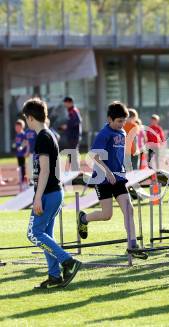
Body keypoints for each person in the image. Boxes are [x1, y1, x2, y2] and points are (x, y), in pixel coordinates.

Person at [23, 98, 81, 289]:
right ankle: (54, 275)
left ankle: (68, 261)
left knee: (34, 233)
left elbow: (45, 170)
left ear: (30, 118)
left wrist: (37, 197)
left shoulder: (42, 137)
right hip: (55, 193)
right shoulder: (49, 135)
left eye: (26, 119)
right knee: (46, 234)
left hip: (48, 193)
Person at [77, 101, 146, 259]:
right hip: (103, 178)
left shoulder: (122, 133)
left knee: (129, 209)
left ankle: (132, 244)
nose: (122, 124)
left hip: (119, 177)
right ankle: (83, 218)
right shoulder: (104, 134)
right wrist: (107, 172)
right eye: (119, 121)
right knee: (107, 214)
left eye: (124, 121)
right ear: (110, 119)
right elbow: (94, 156)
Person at [60, 97, 82, 171]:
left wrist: (67, 126)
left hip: (74, 136)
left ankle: (75, 172)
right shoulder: (71, 111)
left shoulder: (73, 110)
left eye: (66, 103)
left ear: (70, 102)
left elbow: (78, 121)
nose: (65, 104)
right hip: (72, 135)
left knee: (72, 153)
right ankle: (73, 171)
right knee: (71, 153)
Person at [14, 119, 27, 184]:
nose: (16, 128)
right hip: (18, 154)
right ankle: (21, 179)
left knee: (22, 166)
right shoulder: (17, 135)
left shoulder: (23, 134)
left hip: (23, 153)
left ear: (22, 127)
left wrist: (21, 147)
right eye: (16, 127)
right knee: (20, 166)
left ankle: (23, 179)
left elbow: (25, 142)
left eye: (18, 126)